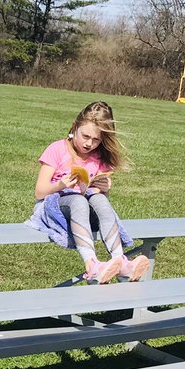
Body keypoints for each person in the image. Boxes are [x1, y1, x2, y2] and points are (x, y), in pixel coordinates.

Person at [26, 100, 148, 283]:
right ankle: (92, 265)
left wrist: (104, 189)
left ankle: (120, 262)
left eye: (97, 139)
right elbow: (39, 192)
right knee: (78, 201)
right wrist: (61, 185)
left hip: (81, 208)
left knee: (100, 200)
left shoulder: (97, 157)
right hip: (52, 207)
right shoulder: (57, 149)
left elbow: (93, 195)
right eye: (85, 136)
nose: (89, 143)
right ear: (74, 127)